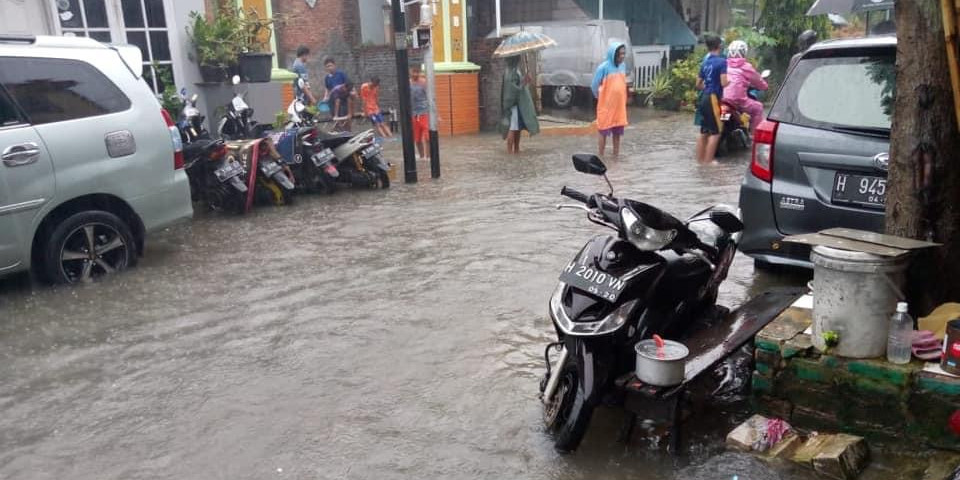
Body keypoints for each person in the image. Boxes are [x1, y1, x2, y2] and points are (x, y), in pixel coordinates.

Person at [694, 34, 729, 165]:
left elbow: (698, 84)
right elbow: (724, 82)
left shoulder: (705, 62)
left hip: (704, 98)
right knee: (716, 132)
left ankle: (699, 161)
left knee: (704, 131)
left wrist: (707, 88)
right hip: (713, 99)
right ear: (719, 46)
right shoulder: (722, 62)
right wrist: (730, 82)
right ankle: (708, 163)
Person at [591, 43, 629, 156]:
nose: (622, 56)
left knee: (617, 132)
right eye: (620, 54)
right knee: (603, 130)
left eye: (624, 53)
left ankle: (615, 156)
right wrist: (600, 98)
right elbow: (594, 86)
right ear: (614, 54)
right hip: (606, 106)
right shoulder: (603, 67)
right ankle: (601, 156)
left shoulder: (623, 66)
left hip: (619, 106)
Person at [723, 40, 768, 134]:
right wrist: (764, 86)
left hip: (721, 99)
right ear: (744, 52)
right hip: (738, 101)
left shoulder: (723, 64)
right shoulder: (746, 66)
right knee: (758, 107)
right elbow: (759, 81)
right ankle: (754, 135)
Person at [498, 56, 540, 154]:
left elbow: (517, 84)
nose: (520, 59)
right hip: (513, 105)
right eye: (518, 58)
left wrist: (525, 81)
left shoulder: (514, 70)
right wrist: (524, 82)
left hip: (518, 105)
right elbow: (513, 90)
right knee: (512, 128)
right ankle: (510, 152)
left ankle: (516, 149)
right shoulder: (510, 72)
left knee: (517, 128)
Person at [323, 57, 351, 130]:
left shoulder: (341, 74)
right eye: (327, 66)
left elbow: (348, 84)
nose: (329, 68)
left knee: (344, 117)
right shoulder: (327, 78)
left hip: (342, 100)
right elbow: (327, 88)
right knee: (336, 118)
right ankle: (340, 133)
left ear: (334, 65)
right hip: (332, 101)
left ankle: (348, 132)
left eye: (330, 65)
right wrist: (325, 97)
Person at [410, 68, 429, 160]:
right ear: (410, 72)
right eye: (413, 72)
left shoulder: (423, 83)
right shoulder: (408, 83)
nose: (415, 74)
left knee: (427, 137)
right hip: (414, 114)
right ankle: (421, 157)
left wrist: (435, 113)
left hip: (424, 112)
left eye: (417, 72)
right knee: (417, 139)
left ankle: (428, 157)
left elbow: (430, 97)